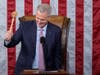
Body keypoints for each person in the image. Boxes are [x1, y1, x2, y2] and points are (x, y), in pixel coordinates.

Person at [4, 4, 62, 75]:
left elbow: (57, 54)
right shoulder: (24, 26)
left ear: (48, 17)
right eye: (37, 18)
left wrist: (58, 71)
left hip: (47, 70)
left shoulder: (56, 31)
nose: (39, 22)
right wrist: (8, 39)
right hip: (25, 69)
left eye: (42, 19)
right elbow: (12, 43)